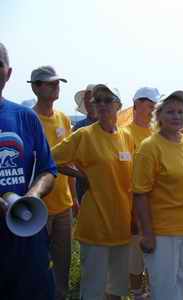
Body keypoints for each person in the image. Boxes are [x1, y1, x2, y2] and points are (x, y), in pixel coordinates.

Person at [52, 84, 134, 300]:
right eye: (98, 100)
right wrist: (80, 175)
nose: (102, 104)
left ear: (118, 104)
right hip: (95, 225)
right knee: (93, 289)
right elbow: (50, 159)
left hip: (122, 226)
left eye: (108, 99)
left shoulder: (126, 136)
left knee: (117, 288)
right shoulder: (84, 135)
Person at [133, 90, 183, 300]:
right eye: (170, 112)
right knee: (164, 288)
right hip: (163, 231)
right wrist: (146, 233)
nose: (177, 116)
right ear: (158, 116)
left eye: (180, 112)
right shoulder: (149, 148)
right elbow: (140, 194)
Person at [0, 42, 57, 300]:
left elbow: (47, 169)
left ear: (8, 72)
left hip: (26, 237)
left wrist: (33, 195)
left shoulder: (25, 117)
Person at [29, 65, 77, 300]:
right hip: (37, 206)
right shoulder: (29, 119)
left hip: (64, 206)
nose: (57, 86)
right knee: (36, 262)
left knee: (63, 264)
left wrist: (74, 198)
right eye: (50, 83)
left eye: (58, 82)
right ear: (36, 87)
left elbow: (68, 160)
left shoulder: (63, 119)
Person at [126, 86, 160, 300]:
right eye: (149, 105)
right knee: (135, 256)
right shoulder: (125, 133)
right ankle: (137, 293)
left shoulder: (156, 133)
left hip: (156, 207)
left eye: (155, 106)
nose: (152, 110)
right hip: (134, 206)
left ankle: (151, 290)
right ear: (136, 104)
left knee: (154, 255)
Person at [72, 84, 98, 204]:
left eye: (92, 99)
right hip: (84, 186)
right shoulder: (78, 127)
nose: (89, 102)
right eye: (87, 99)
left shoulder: (113, 127)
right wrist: (81, 174)